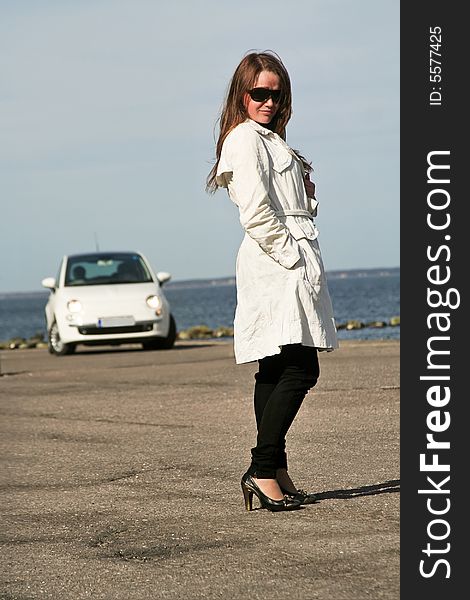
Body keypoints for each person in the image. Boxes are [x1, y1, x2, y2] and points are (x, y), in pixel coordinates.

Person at [206, 50, 338, 512]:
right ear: (242, 94)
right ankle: (261, 469)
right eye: (259, 93)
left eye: (275, 94)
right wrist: (291, 257)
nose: (268, 101)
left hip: (290, 257)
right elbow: (256, 212)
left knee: (277, 367)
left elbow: (285, 204)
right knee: (302, 368)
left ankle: (274, 468)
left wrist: (307, 198)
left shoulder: (273, 140)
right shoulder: (244, 139)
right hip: (278, 262)